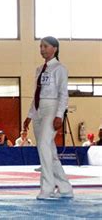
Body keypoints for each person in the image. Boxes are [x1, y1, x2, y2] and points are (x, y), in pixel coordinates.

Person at [23, 36, 73, 200]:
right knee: (49, 150)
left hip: (52, 107)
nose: (42, 49)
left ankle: (48, 187)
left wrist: (59, 114)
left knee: (44, 145)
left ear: (55, 49)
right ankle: (65, 187)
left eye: (45, 46)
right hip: (38, 109)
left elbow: (63, 94)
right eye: (40, 46)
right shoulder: (39, 69)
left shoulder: (60, 69)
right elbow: (37, 93)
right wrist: (29, 116)